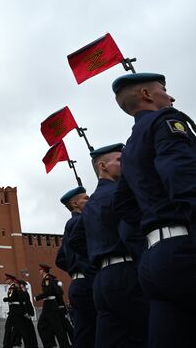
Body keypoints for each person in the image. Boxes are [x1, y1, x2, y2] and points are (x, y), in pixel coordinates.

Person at [112, 73, 196, 347]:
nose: (171, 97)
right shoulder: (167, 121)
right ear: (148, 95)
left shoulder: (132, 143)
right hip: (186, 251)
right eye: (164, 90)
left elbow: (122, 204)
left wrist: (155, 227)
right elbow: (181, 174)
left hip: (154, 260)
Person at [72, 144, 148, 348]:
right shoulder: (120, 194)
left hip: (102, 281)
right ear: (103, 166)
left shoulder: (92, 202)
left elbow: (75, 241)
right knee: (143, 335)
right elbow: (133, 232)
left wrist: (96, 258)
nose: (124, 164)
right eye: (120, 161)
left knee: (110, 340)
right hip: (127, 273)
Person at [56, 186, 96, 348]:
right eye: (85, 198)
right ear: (75, 203)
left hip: (77, 285)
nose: (89, 200)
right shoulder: (80, 222)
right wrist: (87, 268)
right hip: (88, 283)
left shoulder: (70, 224)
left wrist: (75, 270)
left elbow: (60, 259)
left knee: (84, 333)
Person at [34, 263, 70, 348]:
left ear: (43, 270)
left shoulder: (47, 278)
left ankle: (63, 345)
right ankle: (50, 344)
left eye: (40, 269)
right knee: (43, 326)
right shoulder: (48, 278)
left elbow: (49, 291)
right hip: (48, 304)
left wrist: (38, 297)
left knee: (56, 327)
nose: (39, 271)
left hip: (50, 305)